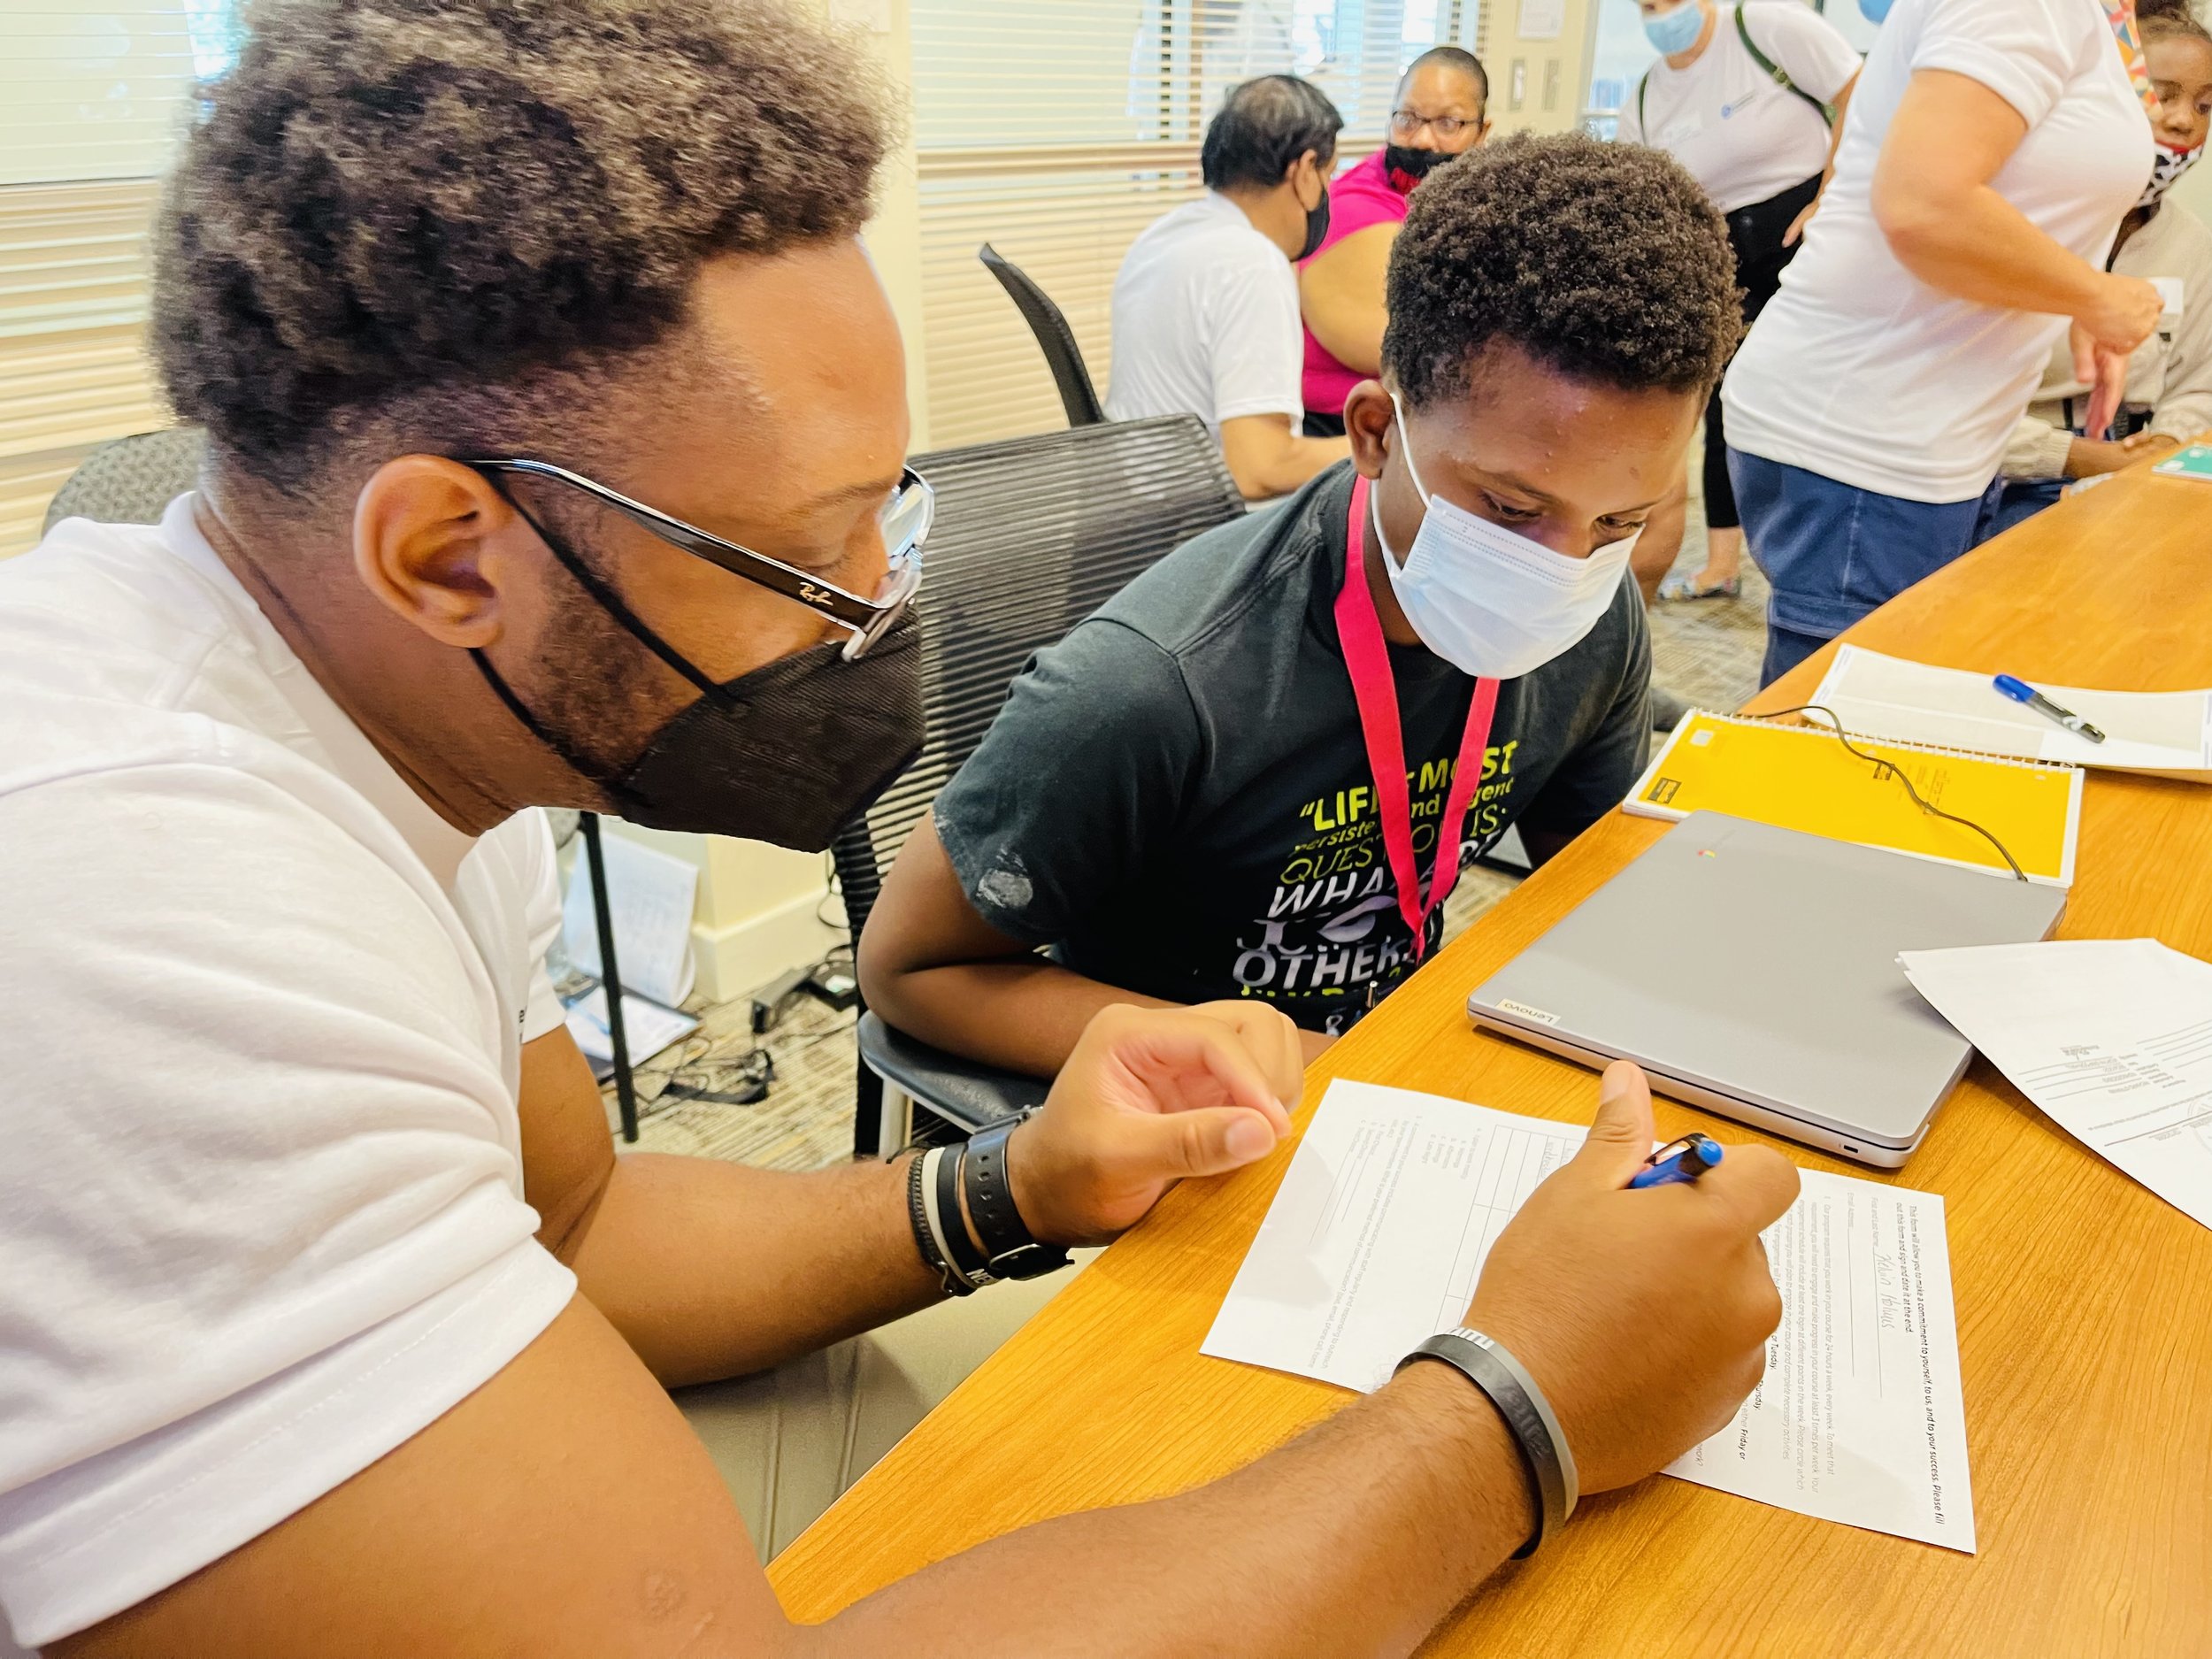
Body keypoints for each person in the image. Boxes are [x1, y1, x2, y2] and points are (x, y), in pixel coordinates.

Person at [0, 4, 1806, 1655]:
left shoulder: (399, 737)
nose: (879, 607)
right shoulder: (138, 919)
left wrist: (1007, 1184)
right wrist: (1513, 1405)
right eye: (815, 546)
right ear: (447, 553)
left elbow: (580, 1225)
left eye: (893, 522)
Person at [859, 134, 1741, 1073]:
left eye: (1619, 521)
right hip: (1183, 1105)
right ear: (1372, 433)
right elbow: (909, 967)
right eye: (1511, 508)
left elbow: (1584, 896)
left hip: (1395, 1062)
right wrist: (1238, 1055)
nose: (1562, 567)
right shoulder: (1152, 687)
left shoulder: (1595, 622)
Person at [1721, 0, 2164, 686]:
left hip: (1928, 425)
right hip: (1866, 434)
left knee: (1891, 711)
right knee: (1837, 742)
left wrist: (2077, 295)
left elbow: (2024, 178)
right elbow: (1925, 204)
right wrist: (2100, 297)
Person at [1617, 0, 1862, 603]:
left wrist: (1832, 194)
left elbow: (1862, 96)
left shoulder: (1765, 28)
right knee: (1727, 401)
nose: (1660, 15)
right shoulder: (1646, 97)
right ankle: (1721, 564)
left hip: (1805, 231)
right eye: (1648, 6)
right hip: (1723, 255)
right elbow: (1642, 194)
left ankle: (1820, 557)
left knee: (1809, 401)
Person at [1988, 0, 2212, 535]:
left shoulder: (2193, 243)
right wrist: (2078, 459)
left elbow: (2198, 383)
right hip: (2000, 483)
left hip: (2135, 477)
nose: (2182, 119)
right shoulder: (2011, 227)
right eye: (2163, 94)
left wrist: (2164, 444)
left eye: (2205, 105)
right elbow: (1952, 411)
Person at [1103, 74, 1350, 500]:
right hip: (1201, 522)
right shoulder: (1251, 264)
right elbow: (1259, 470)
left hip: (1139, 500)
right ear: (1305, 171)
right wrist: (1389, 446)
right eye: (1328, 174)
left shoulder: (1166, 234)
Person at [1295, 46, 1492, 439]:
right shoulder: (1357, 210)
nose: (1421, 140)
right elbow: (1406, 359)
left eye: (1448, 124)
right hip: (1339, 430)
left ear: (1482, 133)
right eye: (1407, 119)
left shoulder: (1468, 201)